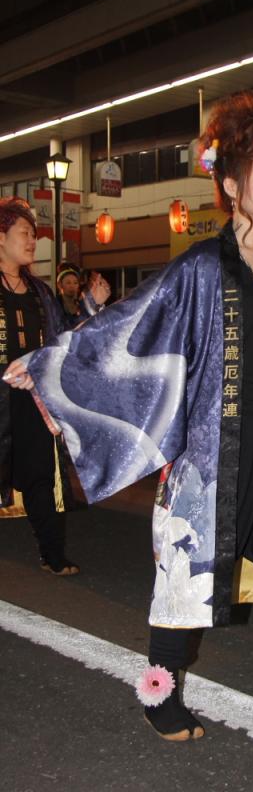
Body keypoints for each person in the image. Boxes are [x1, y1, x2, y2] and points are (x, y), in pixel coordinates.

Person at [4, 93, 253, 741]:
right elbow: (135, 324)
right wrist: (59, 362)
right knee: (190, 566)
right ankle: (158, 690)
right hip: (221, 441)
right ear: (230, 186)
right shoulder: (202, 266)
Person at [0, 200, 108, 575]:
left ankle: (52, 554)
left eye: (33, 234)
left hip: (31, 400)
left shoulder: (40, 292)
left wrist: (92, 305)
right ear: (1, 238)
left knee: (39, 476)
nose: (33, 241)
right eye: (25, 234)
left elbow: (66, 338)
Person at [56, 261, 110, 327]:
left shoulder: (83, 304)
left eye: (75, 283)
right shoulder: (54, 305)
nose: (72, 286)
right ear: (60, 285)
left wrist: (97, 306)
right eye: (68, 282)